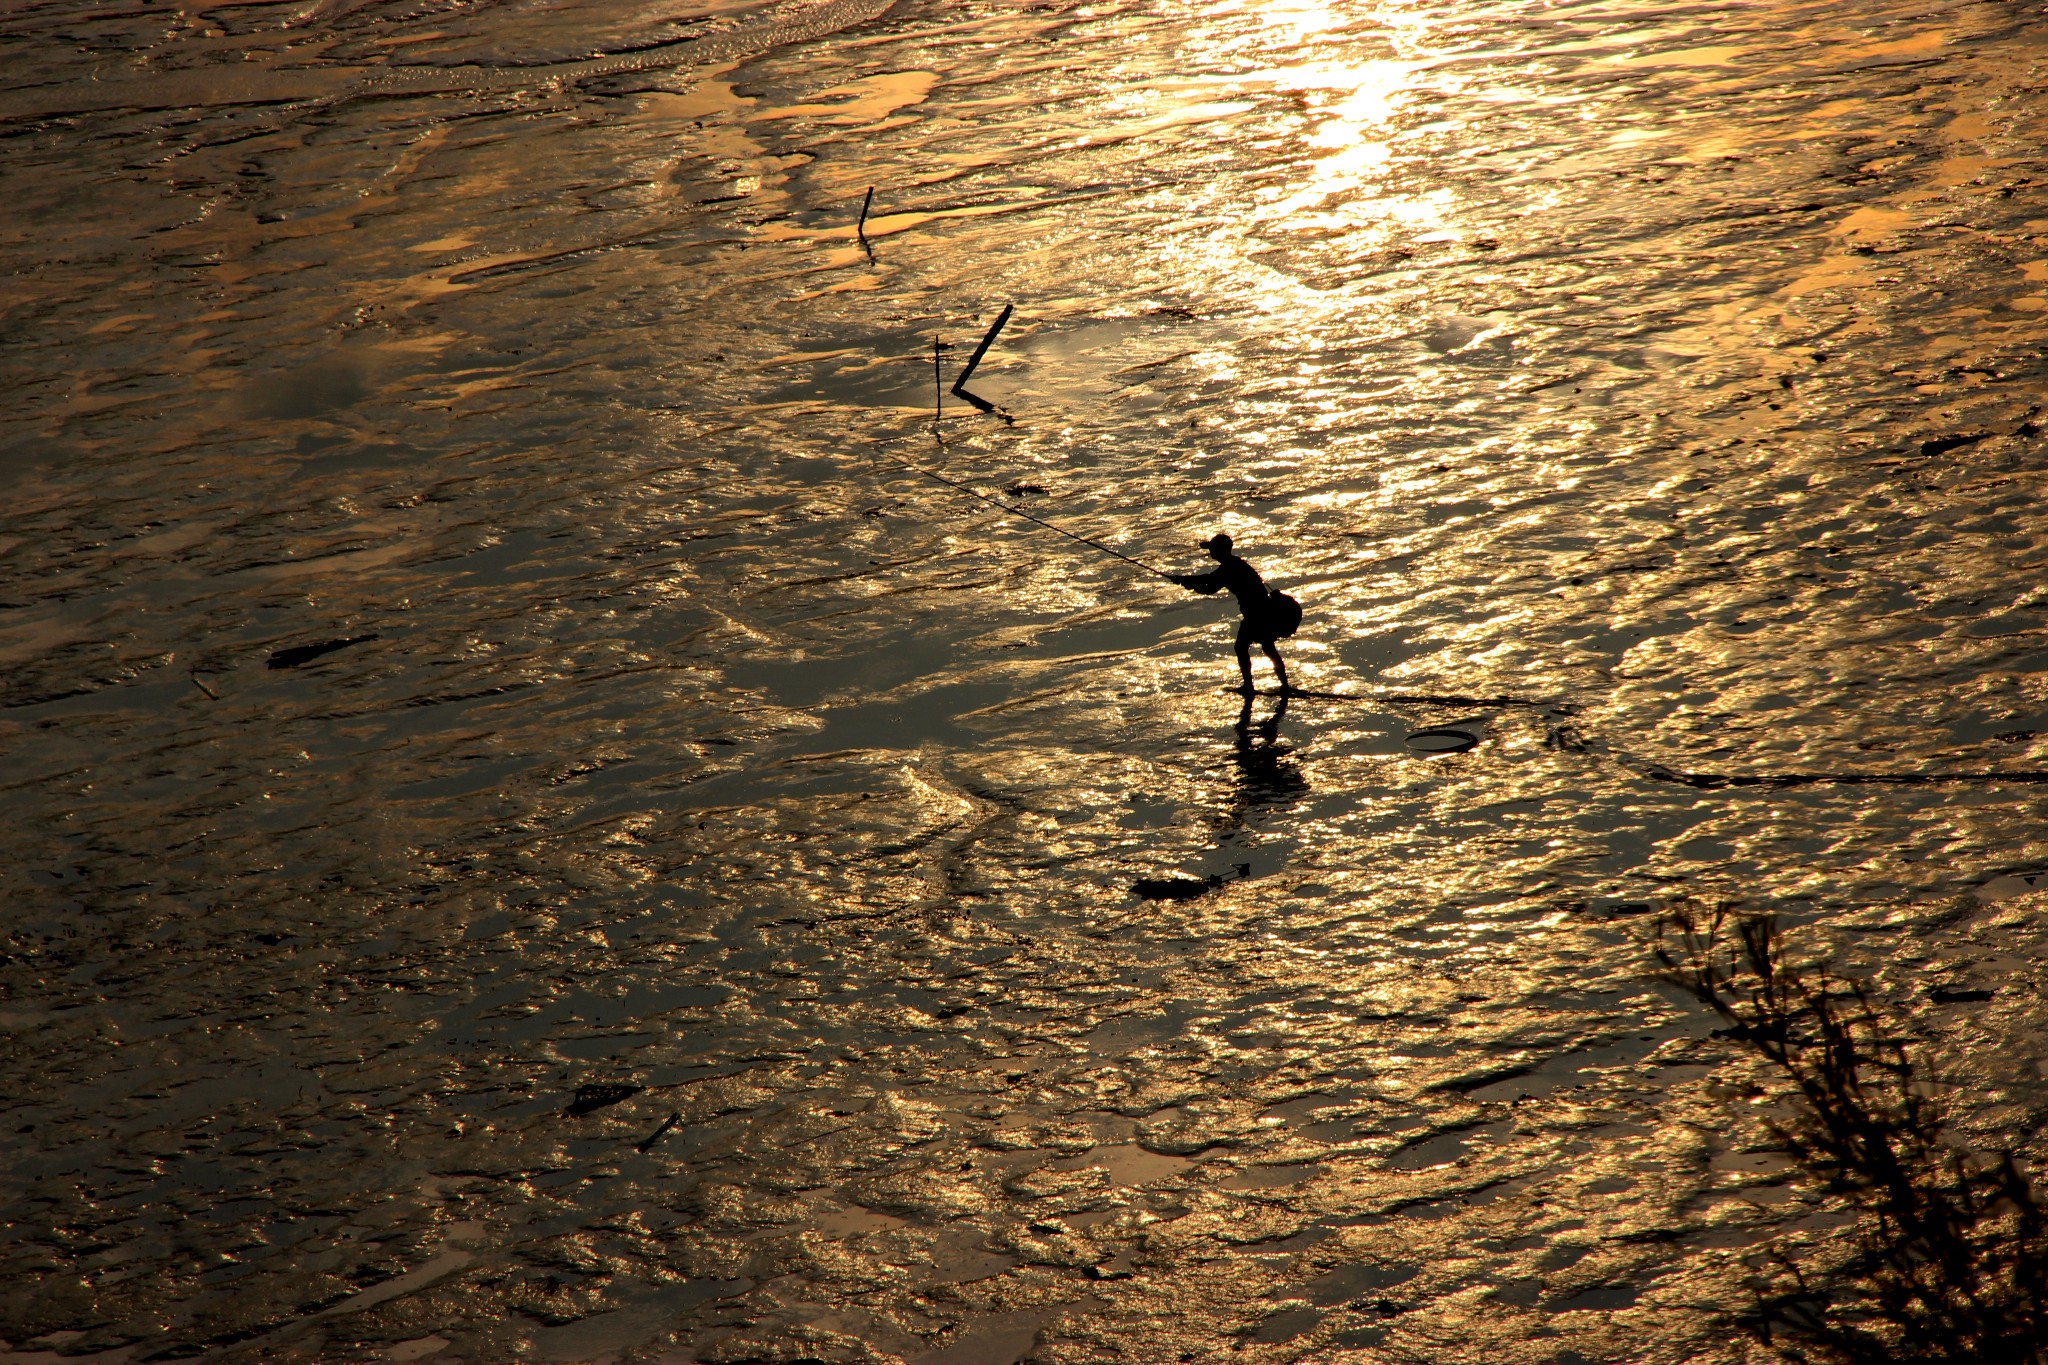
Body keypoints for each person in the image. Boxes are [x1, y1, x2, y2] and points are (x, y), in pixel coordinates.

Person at [1170, 533, 1293, 695]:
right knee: (1268, 648)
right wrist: (1189, 584)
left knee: (1241, 647)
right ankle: (1284, 685)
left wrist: (1184, 580)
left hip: (1256, 613)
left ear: (1220, 550)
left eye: (1212, 549)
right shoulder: (1234, 564)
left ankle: (1250, 687)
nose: (1210, 552)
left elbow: (1209, 580)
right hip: (1262, 611)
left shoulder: (1230, 567)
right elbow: (1210, 587)